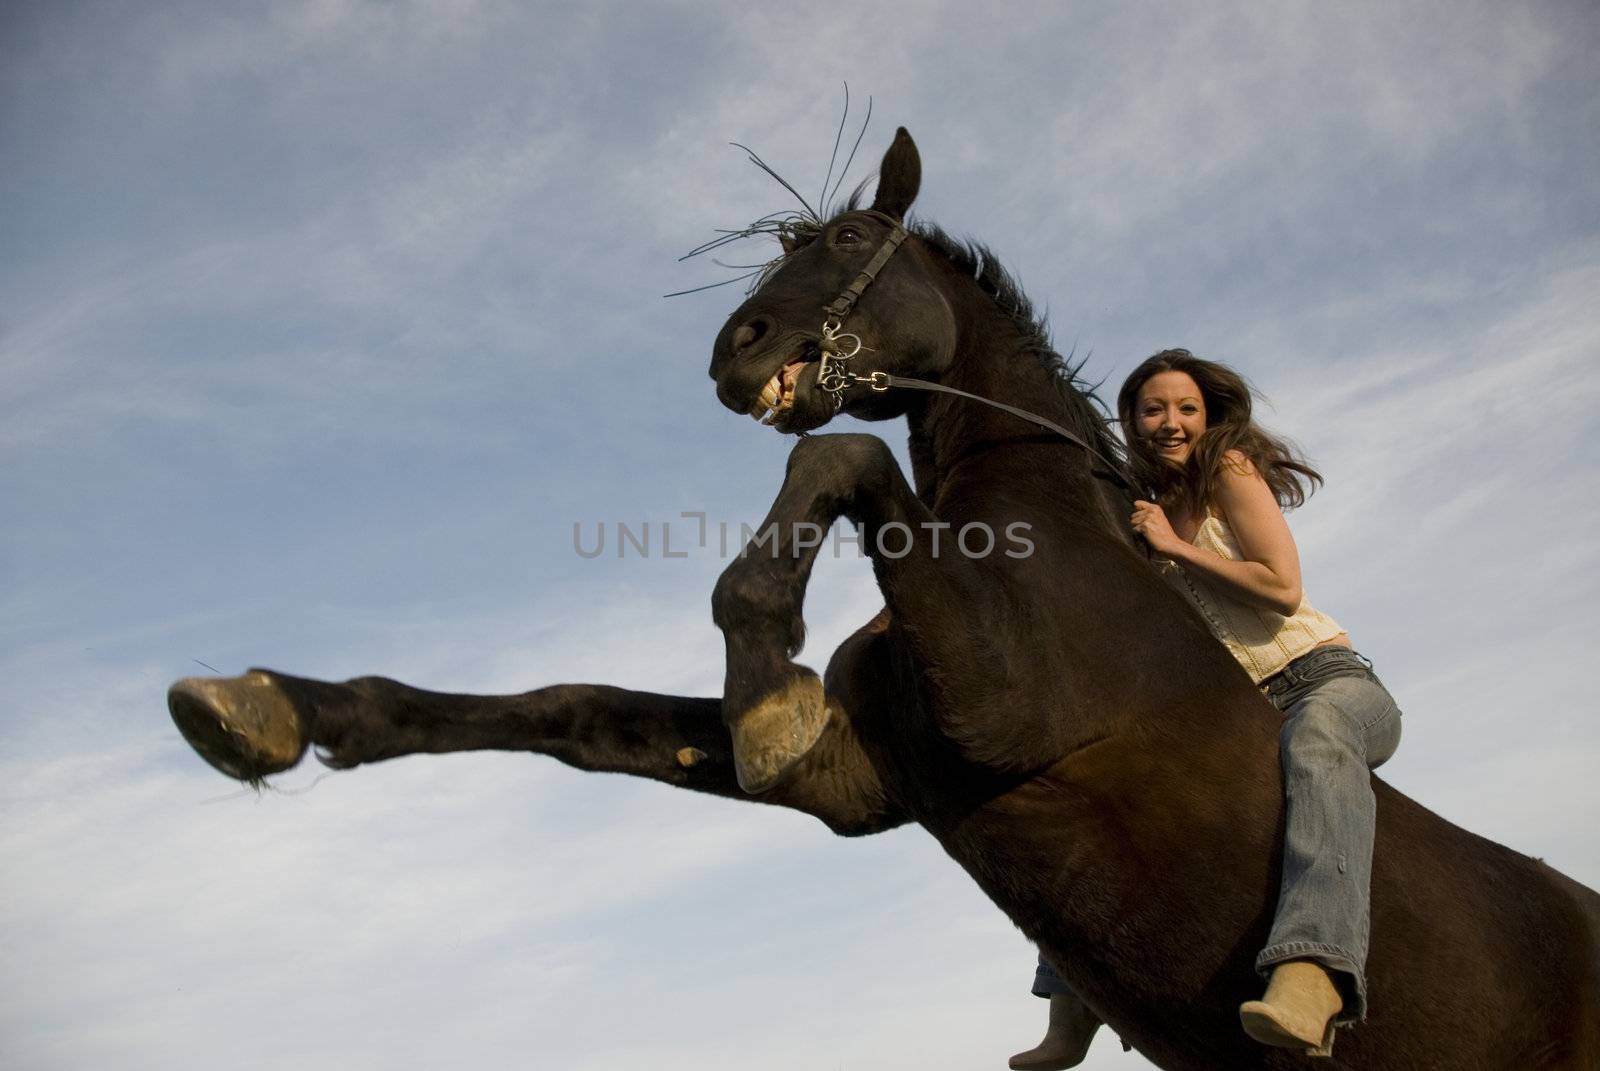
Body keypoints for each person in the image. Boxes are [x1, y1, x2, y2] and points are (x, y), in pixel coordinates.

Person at [1009, 349, 1402, 1067]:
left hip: (1326, 681)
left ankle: (1315, 973)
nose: (1170, 422)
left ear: (1208, 415)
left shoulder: (1230, 471)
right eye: (1153, 409)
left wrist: (1172, 548)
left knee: (1318, 737)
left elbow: (1281, 587)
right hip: (1244, 714)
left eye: (1185, 408)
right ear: (1130, 420)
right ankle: (1072, 998)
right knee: (1106, 783)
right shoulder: (1143, 511)